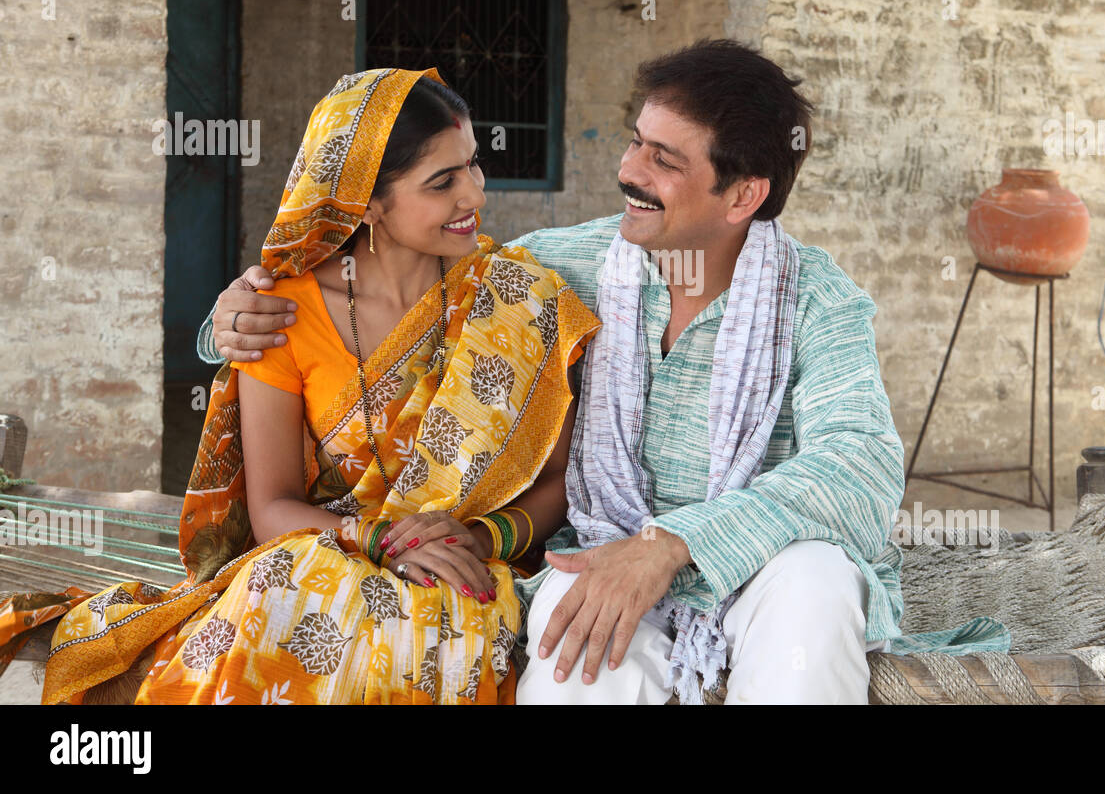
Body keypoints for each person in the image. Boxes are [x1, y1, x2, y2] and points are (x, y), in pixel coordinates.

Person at [203, 40, 1010, 705]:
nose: (629, 170)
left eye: (663, 160)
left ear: (743, 195)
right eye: (634, 141)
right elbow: (405, 297)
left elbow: (860, 469)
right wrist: (231, 318)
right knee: (568, 657)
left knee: (816, 590)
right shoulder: (559, 271)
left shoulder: (817, 300)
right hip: (599, 546)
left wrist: (674, 544)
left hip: (768, 561)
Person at [40, 67, 599, 705]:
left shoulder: (520, 300)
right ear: (363, 199)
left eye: (473, 166)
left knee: (423, 631)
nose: (472, 194)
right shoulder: (277, 314)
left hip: (464, 567)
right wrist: (379, 541)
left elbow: (556, 480)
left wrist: (478, 539)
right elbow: (272, 505)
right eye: (442, 181)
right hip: (323, 551)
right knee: (287, 588)